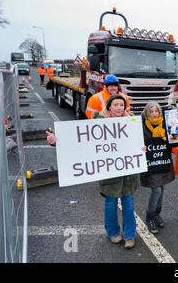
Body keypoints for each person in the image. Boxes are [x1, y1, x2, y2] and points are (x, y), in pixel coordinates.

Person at [46, 94, 143, 249]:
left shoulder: (131, 123)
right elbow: (79, 142)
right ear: (109, 107)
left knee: (129, 206)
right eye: (115, 105)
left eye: (121, 105)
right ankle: (112, 233)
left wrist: (142, 148)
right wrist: (56, 141)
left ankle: (130, 235)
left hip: (128, 175)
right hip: (109, 175)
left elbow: (142, 141)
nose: (119, 108)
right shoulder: (99, 124)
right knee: (110, 206)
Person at [140, 101, 175, 234]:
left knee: (162, 188)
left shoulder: (166, 124)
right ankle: (149, 217)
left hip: (163, 163)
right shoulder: (142, 126)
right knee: (157, 191)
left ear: (160, 113)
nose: (154, 114)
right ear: (147, 113)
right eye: (151, 111)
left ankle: (156, 214)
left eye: (156, 111)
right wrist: (140, 147)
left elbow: (174, 140)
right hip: (151, 164)